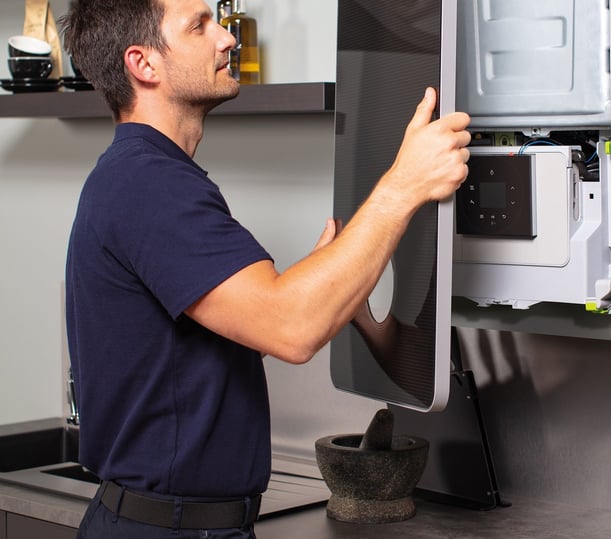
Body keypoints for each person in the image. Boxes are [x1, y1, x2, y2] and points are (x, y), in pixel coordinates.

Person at [59, 0, 471, 537]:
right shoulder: (148, 185)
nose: (226, 39)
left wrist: (337, 290)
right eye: (199, 26)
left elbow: (252, 319)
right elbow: (290, 330)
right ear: (144, 64)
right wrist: (405, 184)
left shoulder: (146, 178)